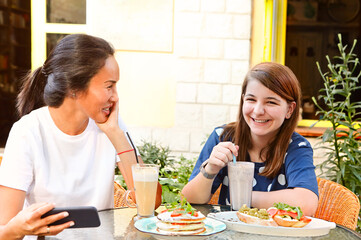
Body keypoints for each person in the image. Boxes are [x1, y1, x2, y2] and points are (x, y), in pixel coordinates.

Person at [0, 34, 162, 239]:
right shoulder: (28, 132)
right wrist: (21, 228)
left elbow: (150, 202)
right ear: (74, 88)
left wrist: (115, 134)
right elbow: (4, 229)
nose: (116, 97)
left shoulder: (111, 126)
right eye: (109, 86)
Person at [181, 62, 318, 216]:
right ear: (243, 100)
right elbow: (188, 200)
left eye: (271, 102)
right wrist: (211, 169)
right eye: (251, 100)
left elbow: (307, 203)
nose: (258, 111)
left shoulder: (295, 147)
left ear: (289, 109)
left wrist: (243, 196)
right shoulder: (223, 137)